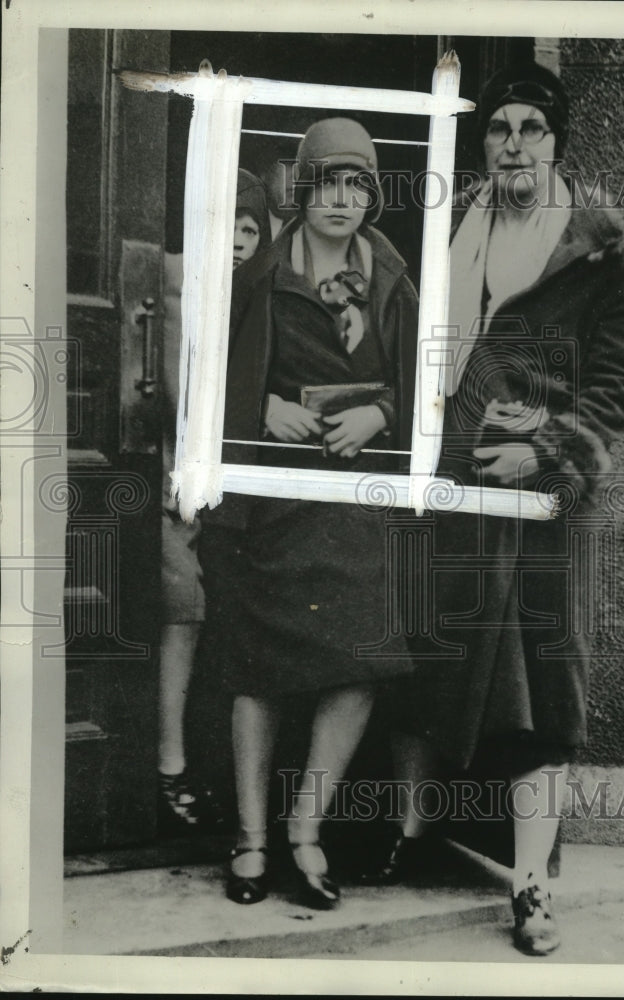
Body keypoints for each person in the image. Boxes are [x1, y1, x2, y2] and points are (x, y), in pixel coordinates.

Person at [364, 62, 624, 957]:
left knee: (540, 690)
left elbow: (618, 383)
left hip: (543, 501)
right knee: (426, 657)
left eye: (532, 126)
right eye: (500, 128)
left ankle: (529, 888)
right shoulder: (461, 224)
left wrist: (548, 451)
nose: (515, 143)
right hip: (451, 478)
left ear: (557, 141)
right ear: (483, 142)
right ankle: (409, 837)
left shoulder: (601, 247)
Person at [198, 118, 418, 907]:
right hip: (273, 500)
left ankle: (306, 831)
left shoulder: (392, 278)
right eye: (326, 182)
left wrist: (382, 415)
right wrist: (262, 410)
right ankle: (252, 841)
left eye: (357, 184)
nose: (340, 199)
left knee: (361, 665)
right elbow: (209, 371)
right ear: (302, 186)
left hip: (357, 503)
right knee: (257, 669)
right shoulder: (260, 273)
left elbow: (424, 385)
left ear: (372, 194)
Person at [157, 168, 269, 833]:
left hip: (224, 492)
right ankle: (169, 766)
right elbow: (173, 402)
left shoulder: (260, 294)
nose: (234, 241)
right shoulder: (176, 287)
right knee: (183, 603)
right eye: (223, 225)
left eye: (249, 229)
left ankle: (210, 776)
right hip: (171, 483)